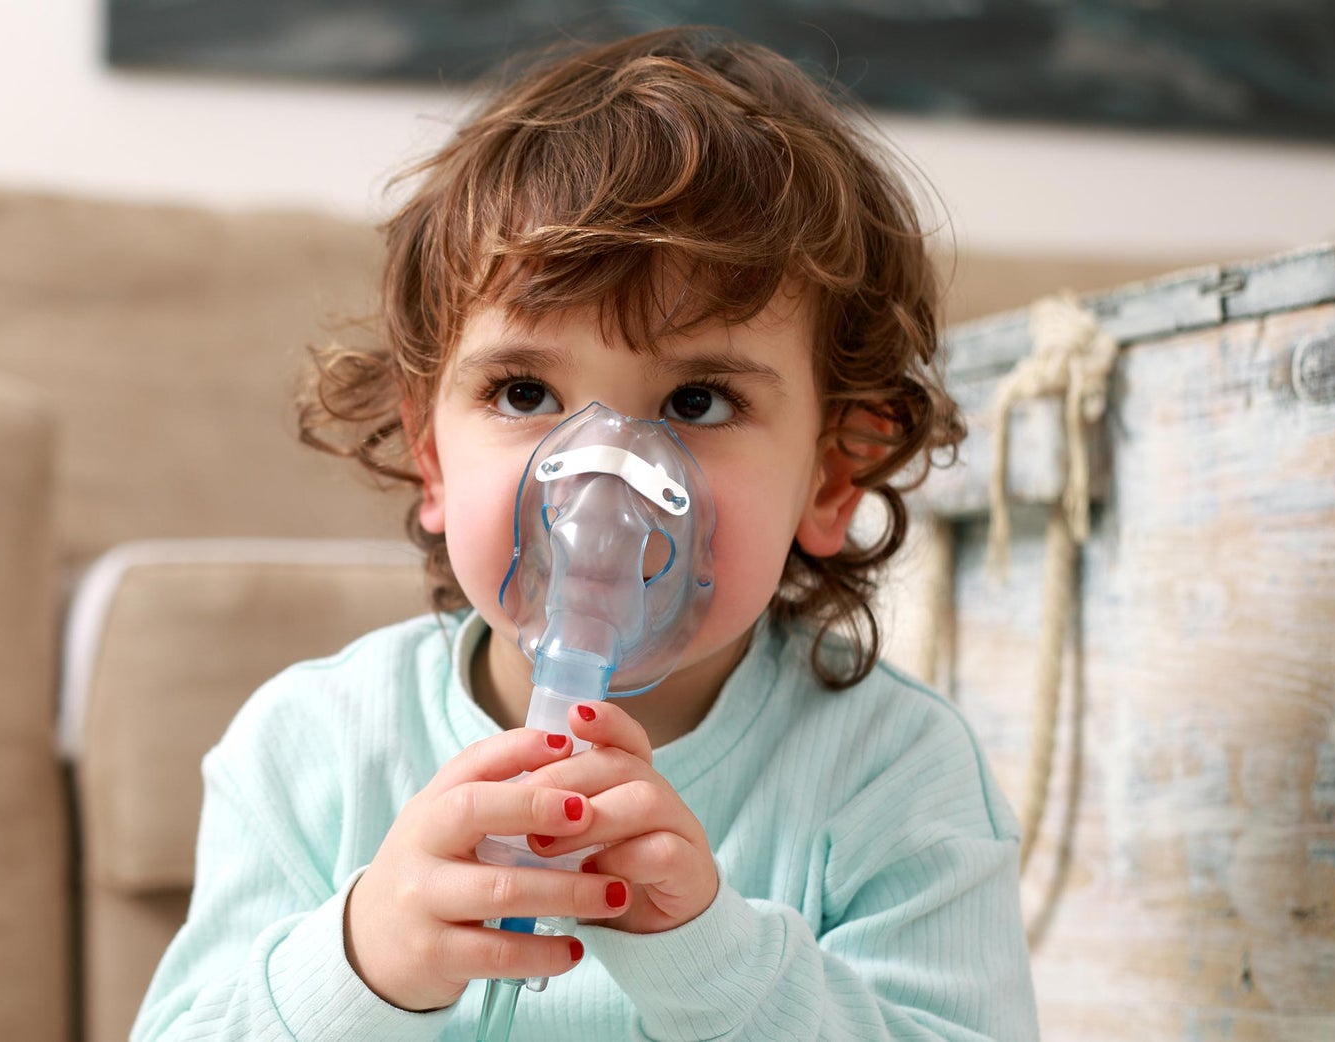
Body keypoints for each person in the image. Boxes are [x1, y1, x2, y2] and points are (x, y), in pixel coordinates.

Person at [133, 25, 1038, 1041]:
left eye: (695, 401)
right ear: (431, 450)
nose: (604, 477)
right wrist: (360, 961)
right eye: (524, 391)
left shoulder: (892, 774)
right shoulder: (307, 750)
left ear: (831, 474)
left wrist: (715, 962)